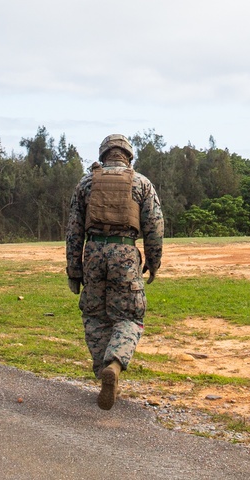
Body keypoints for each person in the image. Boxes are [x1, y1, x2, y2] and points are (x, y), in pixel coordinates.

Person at [65, 133, 164, 410]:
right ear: (128, 156)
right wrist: (153, 262)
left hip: (93, 254)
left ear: (103, 155)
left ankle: (103, 374)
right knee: (130, 316)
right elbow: (155, 226)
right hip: (125, 254)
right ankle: (115, 364)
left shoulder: (86, 183)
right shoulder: (141, 183)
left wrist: (74, 270)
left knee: (95, 316)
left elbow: (73, 230)